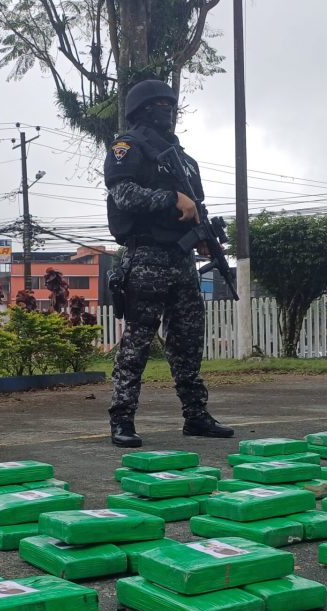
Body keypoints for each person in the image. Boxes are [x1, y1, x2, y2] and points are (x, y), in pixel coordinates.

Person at [104, 79, 235, 448]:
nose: (167, 110)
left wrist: (206, 239)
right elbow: (124, 194)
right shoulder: (126, 147)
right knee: (138, 340)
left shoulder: (184, 160)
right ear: (142, 109)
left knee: (188, 341)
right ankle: (123, 419)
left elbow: (196, 207)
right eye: (159, 104)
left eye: (170, 104)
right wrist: (169, 198)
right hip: (145, 255)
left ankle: (196, 416)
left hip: (181, 259)